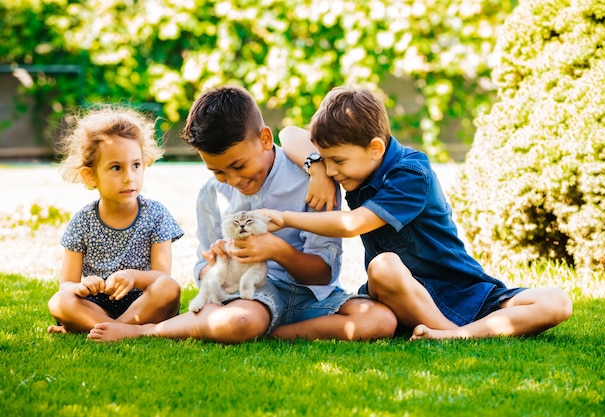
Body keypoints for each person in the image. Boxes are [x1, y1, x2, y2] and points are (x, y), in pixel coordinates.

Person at [256, 85, 573, 340]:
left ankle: (454, 335)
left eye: (337, 161)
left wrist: (284, 218)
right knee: (384, 266)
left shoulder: (410, 173)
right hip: (396, 289)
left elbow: (353, 223)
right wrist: (317, 169)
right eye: (327, 160)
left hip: (461, 288)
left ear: (376, 148)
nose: (333, 170)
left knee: (556, 301)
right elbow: (290, 133)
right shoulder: (353, 166)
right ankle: (450, 333)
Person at [87, 85, 397, 343]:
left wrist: (277, 250)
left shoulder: (312, 180)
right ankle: (146, 330)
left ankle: (278, 333)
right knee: (241, 321)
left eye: (238, 166)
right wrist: (215, 263)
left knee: (380, 321)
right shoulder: (212, 194)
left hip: (312, 300)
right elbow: (202, 266)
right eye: (219, 171)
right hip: (251, 297)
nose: (233, 180)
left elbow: (323, 273)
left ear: (264, 139)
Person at [47, 106, 184, 335]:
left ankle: (105, 328)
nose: (129, 177)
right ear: (91, 175)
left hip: (144, 302)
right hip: (98, 305)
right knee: (59, 302)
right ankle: (120, 328)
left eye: (136, 165)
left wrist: (133, 276)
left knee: (169, 288)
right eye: (116, 168)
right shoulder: (83, 221)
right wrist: (82, 287)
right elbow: (67, 284)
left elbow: (162, 275)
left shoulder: (156, 214)